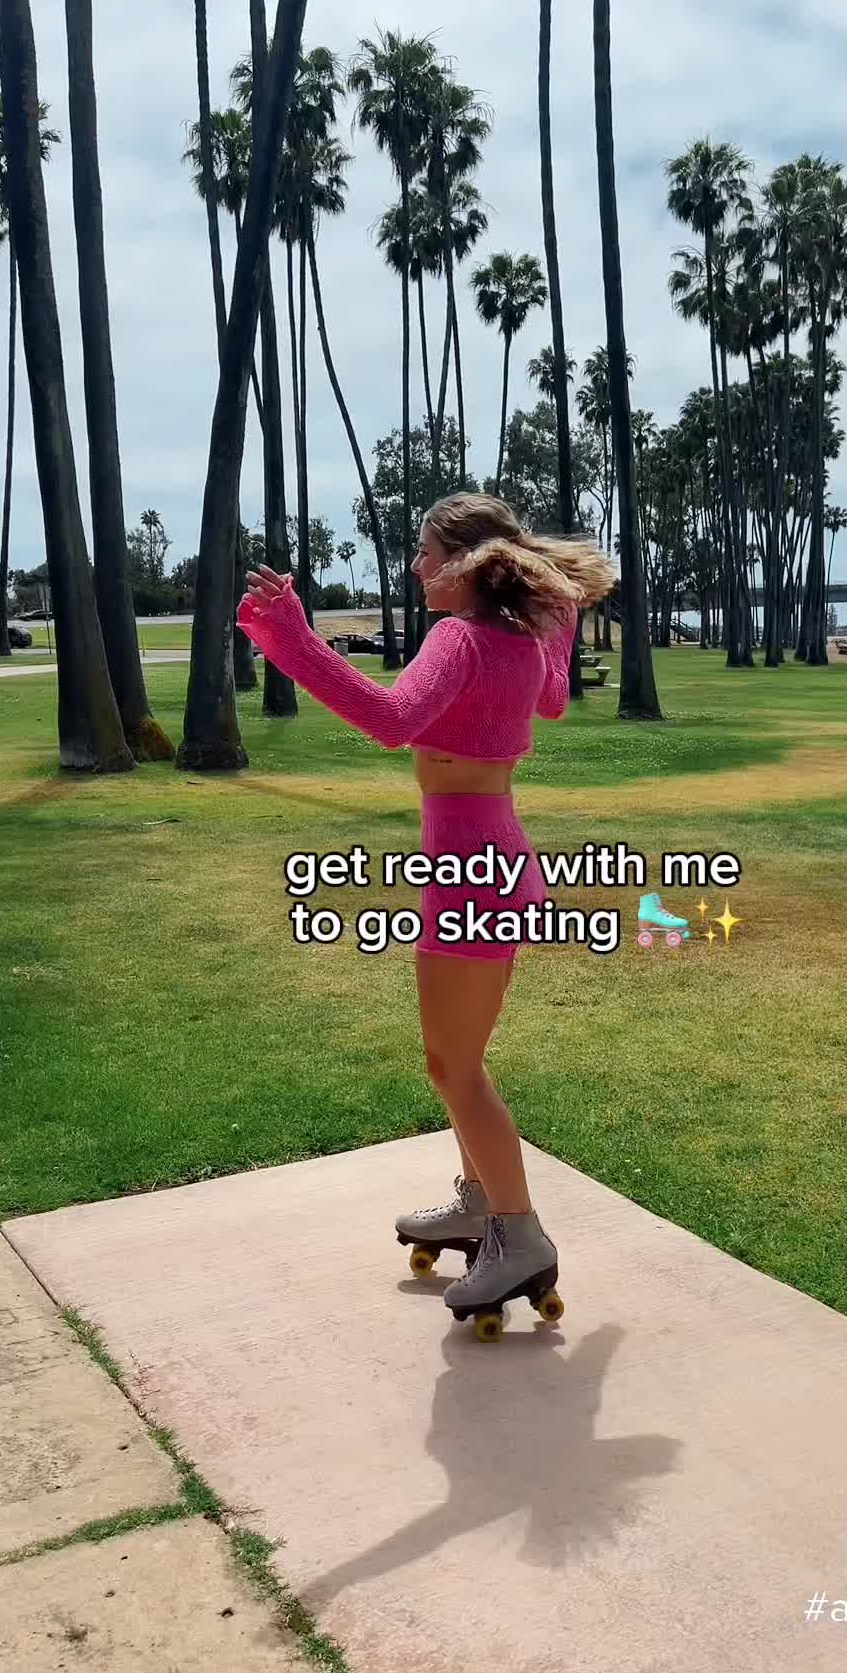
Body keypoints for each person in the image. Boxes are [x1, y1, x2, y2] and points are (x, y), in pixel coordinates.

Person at [237, 492, 616, 1336]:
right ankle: (481, 1205)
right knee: (460, 1060)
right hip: (497, 858)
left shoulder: (460, 639)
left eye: (427, 553)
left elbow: (390, 718)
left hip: (469, 870)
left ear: (469, 564)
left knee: (454, 1069)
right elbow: (554, 700)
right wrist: (556, 614)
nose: (416, 568)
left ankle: (519, 1236)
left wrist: (294, 637)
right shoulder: (515, 642)